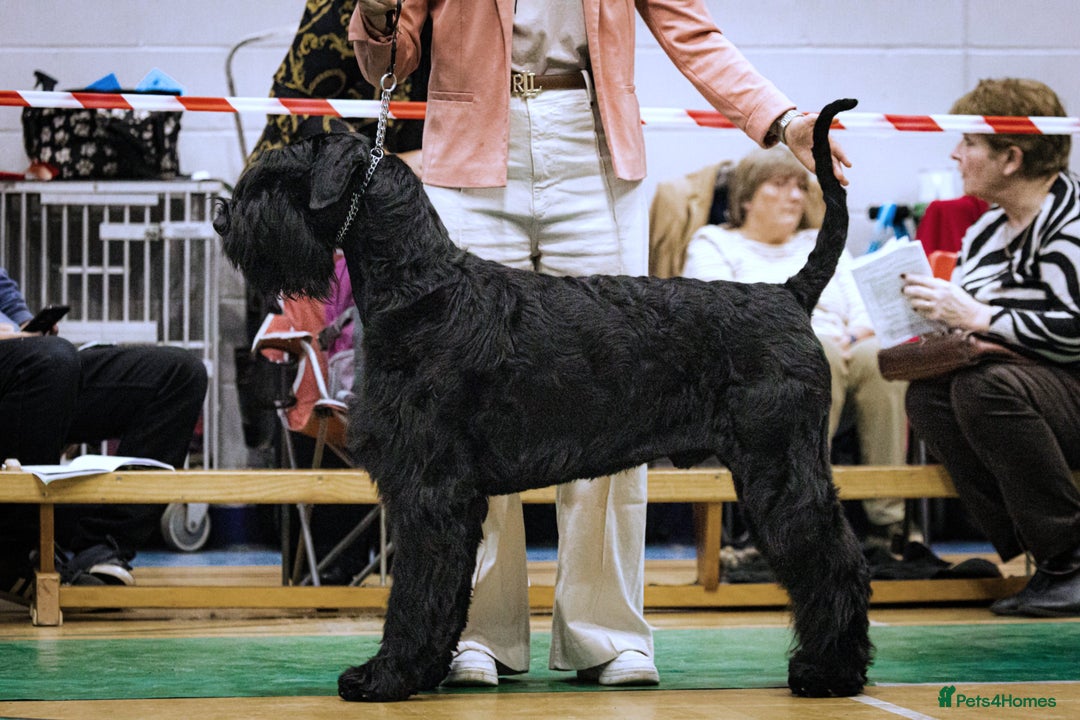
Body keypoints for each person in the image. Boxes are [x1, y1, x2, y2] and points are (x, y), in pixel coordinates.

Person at [349, 0, 850, 687]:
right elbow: (390, 57)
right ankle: (478, 637)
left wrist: (779, 117)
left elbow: (688, 28)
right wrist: (377, 12)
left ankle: (606, 632)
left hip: (591, 141)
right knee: (457, 419)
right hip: (468, 141)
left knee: (622, 393)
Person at [901, 78, 1080, 617]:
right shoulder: (984, 233)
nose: (955, 154)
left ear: (1011, 157)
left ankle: (1070, 560)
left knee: (986, 386)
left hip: (1061, 385)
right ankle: (1037, 551)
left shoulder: (1072, 221)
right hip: (1030, 390)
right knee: (927, 397)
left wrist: (981, 317)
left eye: (969, 142)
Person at [682, 147, 909, 548]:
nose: (794, 196)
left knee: (879, 358)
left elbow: (866, 313)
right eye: (779, 185)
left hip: (841, 353)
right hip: (758, 371)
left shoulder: (819, 242)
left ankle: (886, 525)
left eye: (800, 187)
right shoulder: (715, 242)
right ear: (746, 198)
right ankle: (798, 520)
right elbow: (715, 319)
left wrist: (853, 337)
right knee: (815, 353)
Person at [0, 267, 208, 599]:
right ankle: (13, 551)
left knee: (180, 373)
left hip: (26, 361)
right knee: (53, 361)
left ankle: (102, 547)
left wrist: (26, 324)